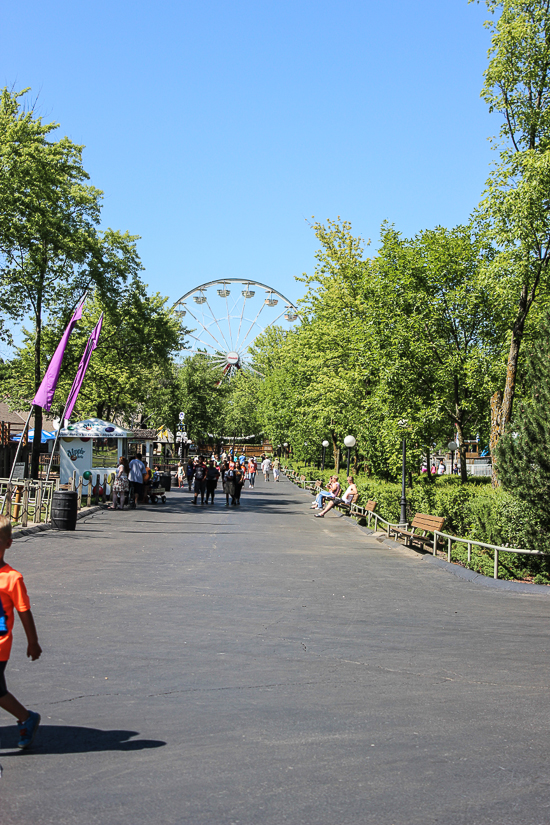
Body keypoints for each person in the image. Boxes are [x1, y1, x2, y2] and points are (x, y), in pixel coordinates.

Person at [0, 515, 42, 750]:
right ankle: (27, 717)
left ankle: (27, 718)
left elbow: (24, 612)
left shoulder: (12, 579)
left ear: (7, 544)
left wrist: (32, 642)